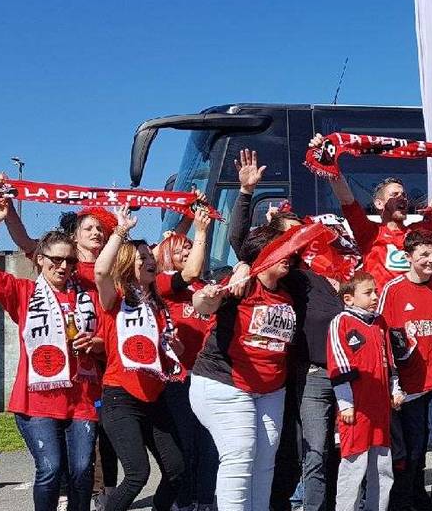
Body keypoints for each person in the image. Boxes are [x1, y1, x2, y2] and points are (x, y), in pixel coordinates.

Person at [0, 198, 102, 511]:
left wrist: (98, 343)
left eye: (70, 261)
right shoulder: (24, 293)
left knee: (81, 472)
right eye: (56, 259)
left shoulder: (89, 295)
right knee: (50, 470)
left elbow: (110, 337)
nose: (64, 266)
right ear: (40, 260)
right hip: (36, 400)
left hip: (82, 398)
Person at [188, 228, 299, 511]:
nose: (289, 254)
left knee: (264, 463)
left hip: (271, 390)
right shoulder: (243, 284)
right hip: (226, 383)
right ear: (262, 254)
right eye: (280, 250)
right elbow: (204, 303)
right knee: (239, 455)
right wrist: (210, 293)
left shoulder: (289, 291)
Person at [309, 134, 432, 290]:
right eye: (395, 194)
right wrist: (328, 160)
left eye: (404, 195)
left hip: (416, 315)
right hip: (382, 318)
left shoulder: (419, 232)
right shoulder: (369, 232)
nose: (402, 198)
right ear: (379, 203)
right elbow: (347, 200)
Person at [91, 209, 186, 511]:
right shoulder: (115, 299)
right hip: (121, 396)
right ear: (127, 264)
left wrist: (175, 348)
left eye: (150, 257)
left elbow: (168, 351)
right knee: (137, 474)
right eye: (141, 257)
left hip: (155, 396)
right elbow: (100, 272)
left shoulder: (157, 303)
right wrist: (120, 232)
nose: (149, 261)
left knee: (177, 470)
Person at [378, 230, 432, 509]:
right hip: (410, 381)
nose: (431, 260)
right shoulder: (393, 289)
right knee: (414, 449)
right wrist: (393, 383)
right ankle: (414, 497)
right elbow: (381, 336)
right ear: (408, 258)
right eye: (424, 255)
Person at [153, 218, 220, 511]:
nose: (189, 251)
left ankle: (205, 501)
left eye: (191, 247)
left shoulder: (204, 288)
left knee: (209, 446)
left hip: (207, 377)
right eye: (182, 248)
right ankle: (184, 502)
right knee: (186, 446)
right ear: (167, 254)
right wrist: (200, 228)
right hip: (177, 380)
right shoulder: (163, 283)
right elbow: (188, 269)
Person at [328, 273, 405, 511]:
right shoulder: (341, 322)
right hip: (357, 409)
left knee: (382, 467)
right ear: (349, 299)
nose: (374, 297)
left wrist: (395, 388)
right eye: (368, 292)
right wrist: (346, 404)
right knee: (353, 466)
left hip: (380, 407)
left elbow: (389, 360)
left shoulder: (380, 322)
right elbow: (338, 364)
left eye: (375, 291)